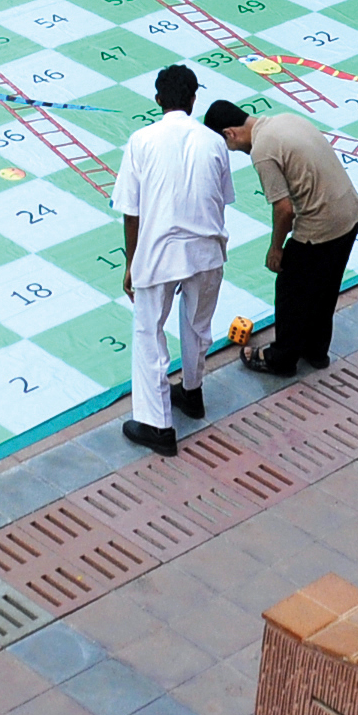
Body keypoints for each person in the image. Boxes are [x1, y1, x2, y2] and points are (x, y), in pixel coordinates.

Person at [113, 63, 231, 457]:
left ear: (158, 99)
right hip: (207, 248)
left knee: (149, 333)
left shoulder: (141, 140)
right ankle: (192, 393)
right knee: (198, 325)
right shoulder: (214, 142)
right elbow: (222, 198)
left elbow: (131, 210)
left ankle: (158, 425)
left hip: (160, 249)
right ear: (194, 99)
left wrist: (131, 262)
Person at [205, 99, 358, 378]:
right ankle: (316, 351)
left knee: (291, 289)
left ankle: (282, 359)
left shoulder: (262, 152)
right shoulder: (285, 119)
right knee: (325, 288)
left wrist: (276, 248)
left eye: (226, 144)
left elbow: (284, 209)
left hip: (321, 225)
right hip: (349, 214)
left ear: (229, 133)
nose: (231, 150)